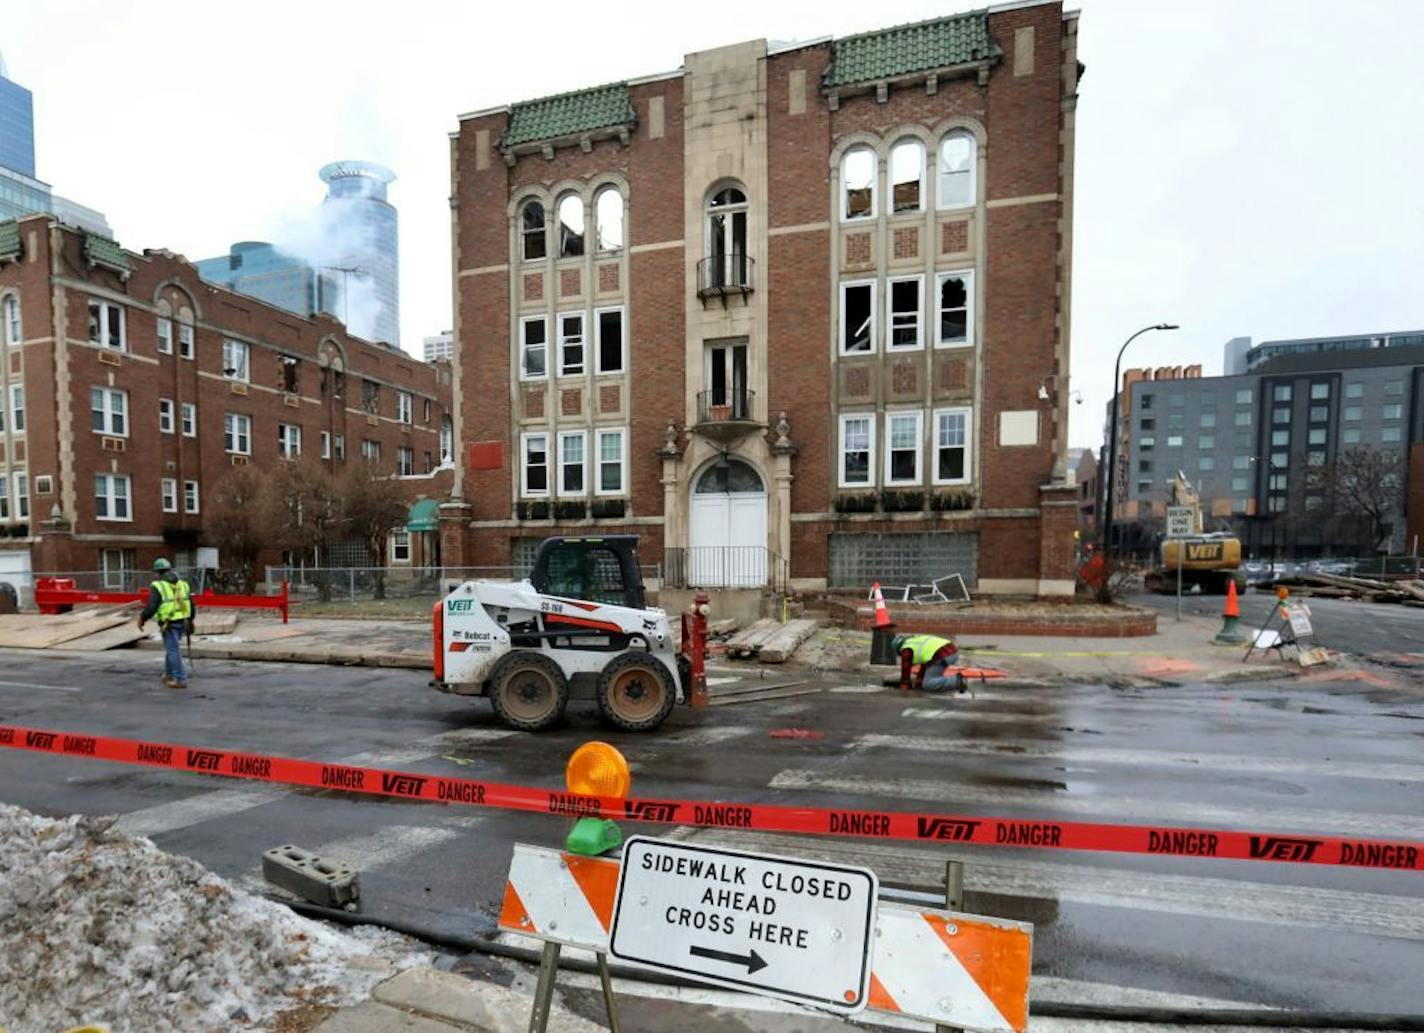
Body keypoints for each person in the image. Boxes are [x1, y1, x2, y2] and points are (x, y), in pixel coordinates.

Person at [137, 558, 196, 689]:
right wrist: (191, 620)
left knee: (173, 650)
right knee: (171, 649)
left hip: (169, 624)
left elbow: (151, 607)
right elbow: (191, 604)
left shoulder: (158, 586)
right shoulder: (183, 584)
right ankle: (169, 674)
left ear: (158, 573)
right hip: (183, 621)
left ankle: (179, 679)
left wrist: (142, 619)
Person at [892, 632, 964, 693]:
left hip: (941, 655)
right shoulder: (915, 642)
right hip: (951, 650)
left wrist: (903, 689)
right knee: (932, 678)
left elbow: (905, 671)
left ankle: (957, 681)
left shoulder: (906, 650)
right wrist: (919, 680)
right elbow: (924, 666)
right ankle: (952, 682)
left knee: (928, 684)